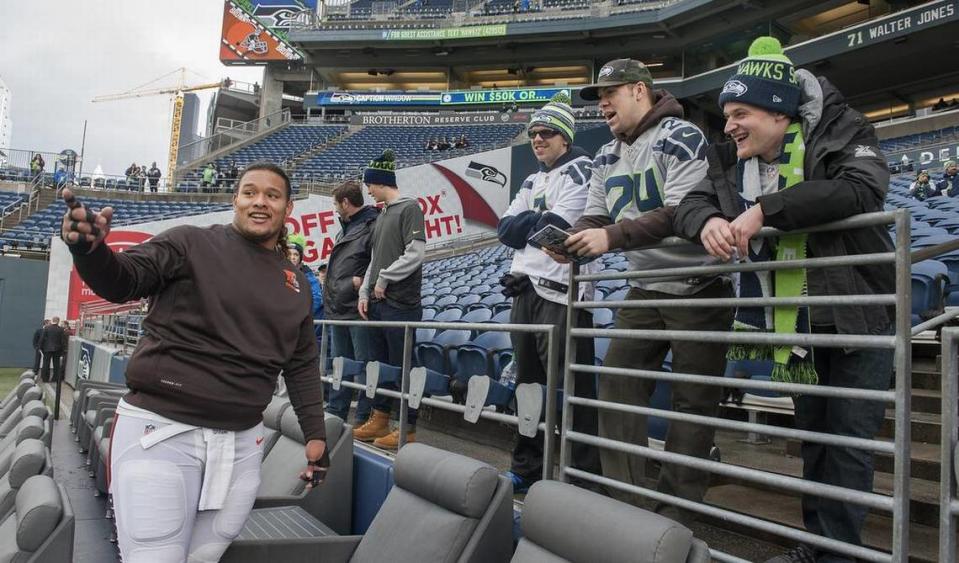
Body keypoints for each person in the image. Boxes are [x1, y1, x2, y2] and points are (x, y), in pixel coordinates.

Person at [673, 37, 894, 563]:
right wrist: (707, 221)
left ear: (778, 111)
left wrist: (764, 210)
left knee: (847, 446)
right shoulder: (730, 160)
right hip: (793, 328)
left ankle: (838, 554)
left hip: (856, 313)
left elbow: (860, 190)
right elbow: (689, 205)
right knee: (814, 440)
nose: (728, 125)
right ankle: (818, 545)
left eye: (740, 112)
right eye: (726, 114)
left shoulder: (843, 129)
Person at [58, 161, 327, 562]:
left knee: (205, 557)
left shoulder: (295, 282)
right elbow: (124, 279)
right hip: (162, 432)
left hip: (241, 444)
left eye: (272, 195)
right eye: (250, 192)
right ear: (235, 199)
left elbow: (302, 364)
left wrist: (316, 438)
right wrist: (90, 252)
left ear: (287, 208)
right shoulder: (190, 242)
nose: (259, 202)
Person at [562, 58, 733, 523]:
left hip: (700, 284)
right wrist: (574, 238)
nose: (601, 105)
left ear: (640, 91)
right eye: (598, 98)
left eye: (609, 94)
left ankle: (675, 513)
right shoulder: (605, 154)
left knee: (692, 403)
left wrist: (610, 238)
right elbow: (596, 214)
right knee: (617, 385)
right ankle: (627, 505)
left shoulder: (683, 136)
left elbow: (680, 211)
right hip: (644, 286)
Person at [496, 92, 603, 493]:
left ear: (565, 138)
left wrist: (529, 224)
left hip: (564, 296)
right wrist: (531, 224)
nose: (537, 139)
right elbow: (506, 231)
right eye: (534, 133)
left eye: (546, 133)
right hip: (525, 292)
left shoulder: (582, 170)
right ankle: (527, 467)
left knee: (572, 391)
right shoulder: (531, 178)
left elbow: (554, 228)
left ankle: (580, 475)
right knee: (528, 388)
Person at [355, 149, 425, 449]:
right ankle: (380, 418)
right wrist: (364, 290)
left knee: (403, 366)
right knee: (380, 366)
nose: (367, 190)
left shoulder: (410, 208)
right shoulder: (382, 213)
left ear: (381, 182)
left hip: (400, 303)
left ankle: (407, 427)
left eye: (369, 184)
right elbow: (375, 258)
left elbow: (416, 253)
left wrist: (385, 278)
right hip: (378, 302)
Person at [324, 180, 379, 424]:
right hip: (338, 307)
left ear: (346, 203)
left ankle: (365, 417)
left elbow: (377, 259)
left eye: (336, 203)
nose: (335, 209)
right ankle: (336, 413)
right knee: (339, 365)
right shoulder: (344, 228)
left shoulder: (371, 225)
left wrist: (358, 283)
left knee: (366, 365)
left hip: (357, 308)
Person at [287, 232, 323, 320]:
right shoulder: (280, 273)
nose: (293, 257)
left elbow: (316, 298)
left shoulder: (308, 275)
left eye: (296, 254)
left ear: (300, 258)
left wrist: (301, 316)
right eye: (289, 254)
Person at [38, 316, 67, 383]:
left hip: (47, 349)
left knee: (46, 364)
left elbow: (42, 338)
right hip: (57, 349)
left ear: (52, 320)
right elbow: (62, 341)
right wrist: (64, 350)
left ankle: (45, 378)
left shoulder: (47, 328)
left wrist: (40, 347)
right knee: (56, 364)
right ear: (58, 321)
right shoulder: (61, 329)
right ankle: (55, 378)